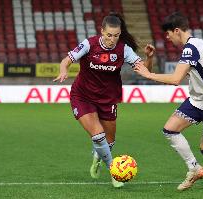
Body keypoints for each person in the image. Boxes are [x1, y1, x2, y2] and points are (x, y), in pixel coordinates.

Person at [134, 12, 203, 191]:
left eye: (168, 34)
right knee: (170, 129)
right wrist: (150, 60)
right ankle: (194, 168)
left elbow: (176, 79)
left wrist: (148, 74)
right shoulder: (195, 44)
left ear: (177, 31)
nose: (167, 38)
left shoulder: (191, 48)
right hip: (198, 100)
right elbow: (151, 73)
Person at [53, 13, 155, 188]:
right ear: (102, 31)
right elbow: (67, 60)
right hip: (83, 96)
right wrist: (64, 70)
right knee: (98, 135)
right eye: (109, 35)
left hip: (108, 99)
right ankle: (113, 171)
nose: (112, 40)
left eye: (116, 36)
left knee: (109, 141)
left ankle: (97, 157)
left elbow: (146, 72)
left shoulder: (124, 50)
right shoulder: (89, 44)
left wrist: (149, 58)